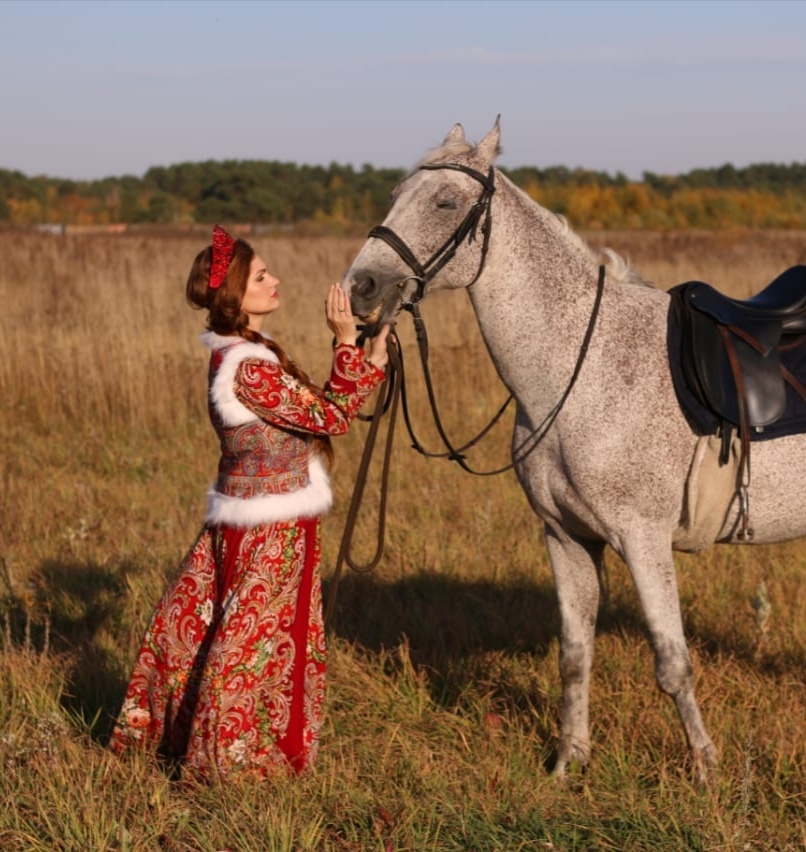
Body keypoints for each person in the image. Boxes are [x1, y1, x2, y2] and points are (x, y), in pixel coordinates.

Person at [109, 224, 389, 779]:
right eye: (262, 276)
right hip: (270, 527)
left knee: (218, 627)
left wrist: (369, 358)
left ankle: (190, 737)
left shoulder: (244, 353)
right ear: (236, 295)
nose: (275, 280)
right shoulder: (250, 367)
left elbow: (316, 409)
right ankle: (226, 759)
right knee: (251, 640)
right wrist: (343, 340)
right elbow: (330, 417)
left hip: (252, 517)